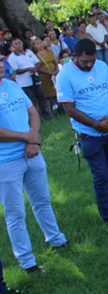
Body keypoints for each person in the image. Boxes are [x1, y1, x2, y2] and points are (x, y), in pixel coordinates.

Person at [0, 58, 68, 272]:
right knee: (15, 213)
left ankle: (57, 239)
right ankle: (27, 260)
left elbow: (32, 112)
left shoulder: (11, 85)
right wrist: (26, 137)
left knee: (42, 201)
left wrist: (33, 138)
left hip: (32, 152)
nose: (0, 65)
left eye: (0, 61)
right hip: (6, 162)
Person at [56, 39, 108, 229]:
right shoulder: (65, 75)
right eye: (85, 61)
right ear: (75, 56)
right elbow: (69, 109)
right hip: (89, 134)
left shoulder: (101, 66)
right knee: (101, 176)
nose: (89, 65)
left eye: (92, 61)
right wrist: (95, 125)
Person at [7, 38, 51, 120]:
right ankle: (36, 117)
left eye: (19, 42)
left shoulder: (28, 52)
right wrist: (28, 69)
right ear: (12, 46)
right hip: (24, 83)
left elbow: (38, 62)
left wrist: (35, 68)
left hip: (35, 79)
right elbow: (15, 71)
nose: (18, 45)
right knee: (31, 100)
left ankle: (47, 114)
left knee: (41, 97)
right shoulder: (12, 57)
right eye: (16, 44)